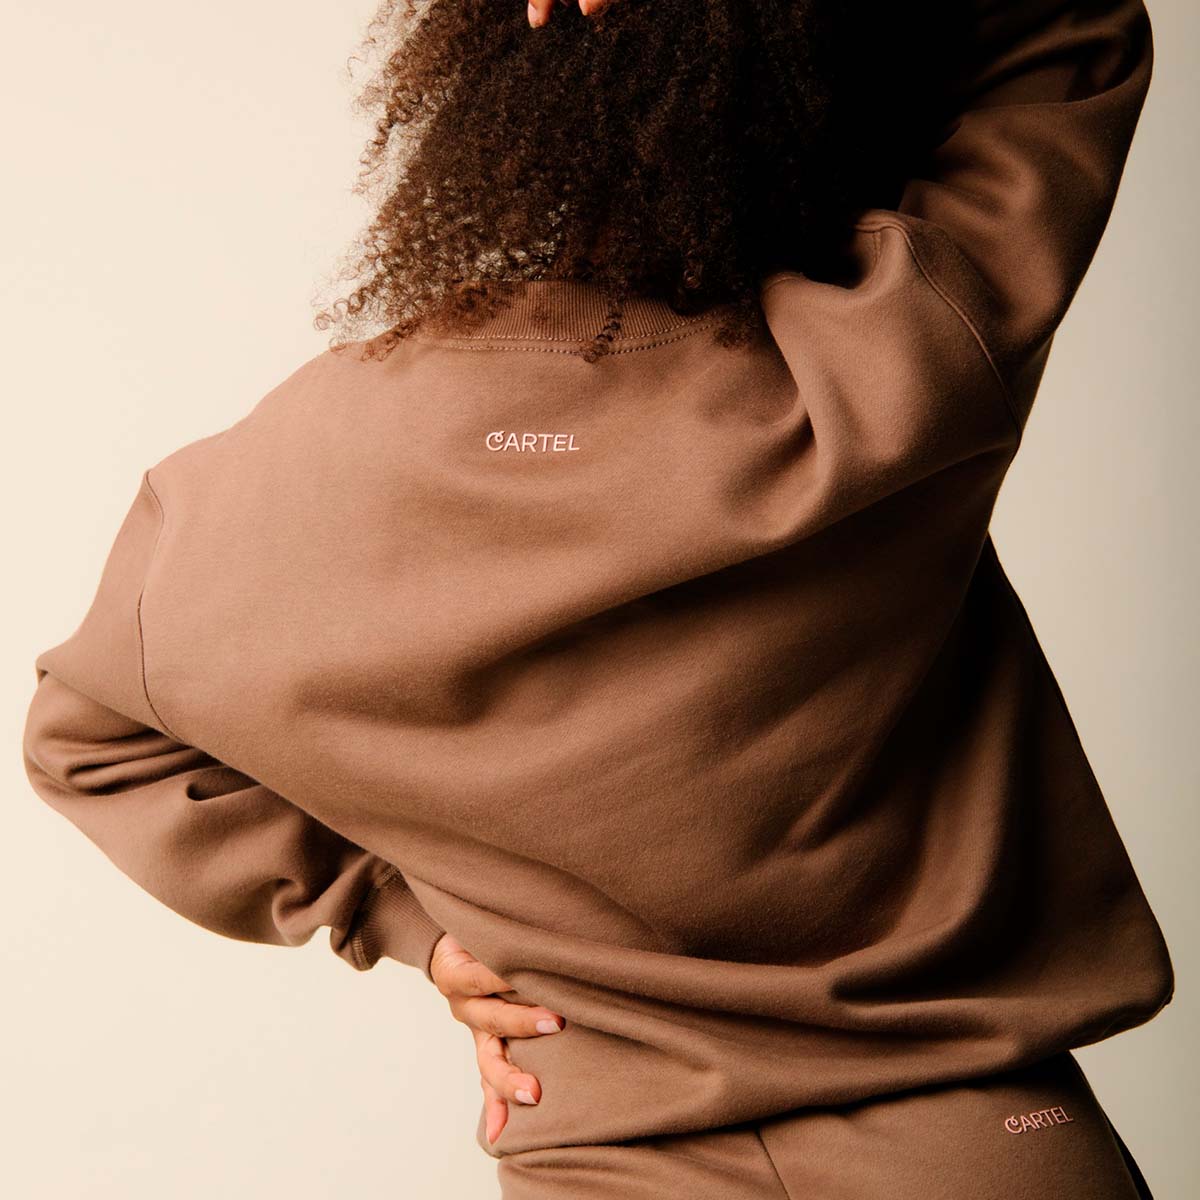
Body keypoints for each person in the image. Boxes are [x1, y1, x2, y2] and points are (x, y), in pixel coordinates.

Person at [21, 0, 1173, 1196]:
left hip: (597, 1154)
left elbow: (84, 741)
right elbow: (1071, 27)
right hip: (982, 1145)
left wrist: (402, 921)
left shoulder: (284, 476)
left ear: (477, 118)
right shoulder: (889, 363)